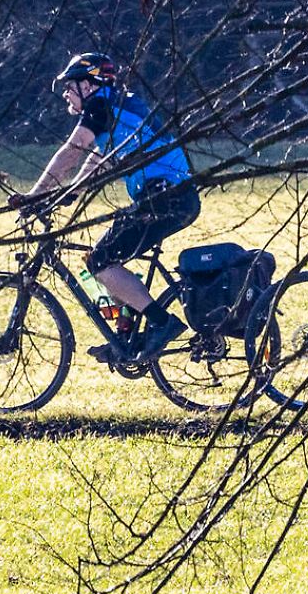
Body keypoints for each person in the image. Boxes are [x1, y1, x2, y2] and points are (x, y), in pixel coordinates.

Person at [16, 52, 200, 364]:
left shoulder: (100, 105)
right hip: (167, 198)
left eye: (70, 85)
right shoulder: (116, 105)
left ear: (89, 85)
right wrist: (69, 193)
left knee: (100, 260)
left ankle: (161, 322)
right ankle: (125, 335)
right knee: (101, 258)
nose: (66, 93)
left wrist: (35, 194)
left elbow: (73, 151)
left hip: (166, 199)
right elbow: (99, 160)